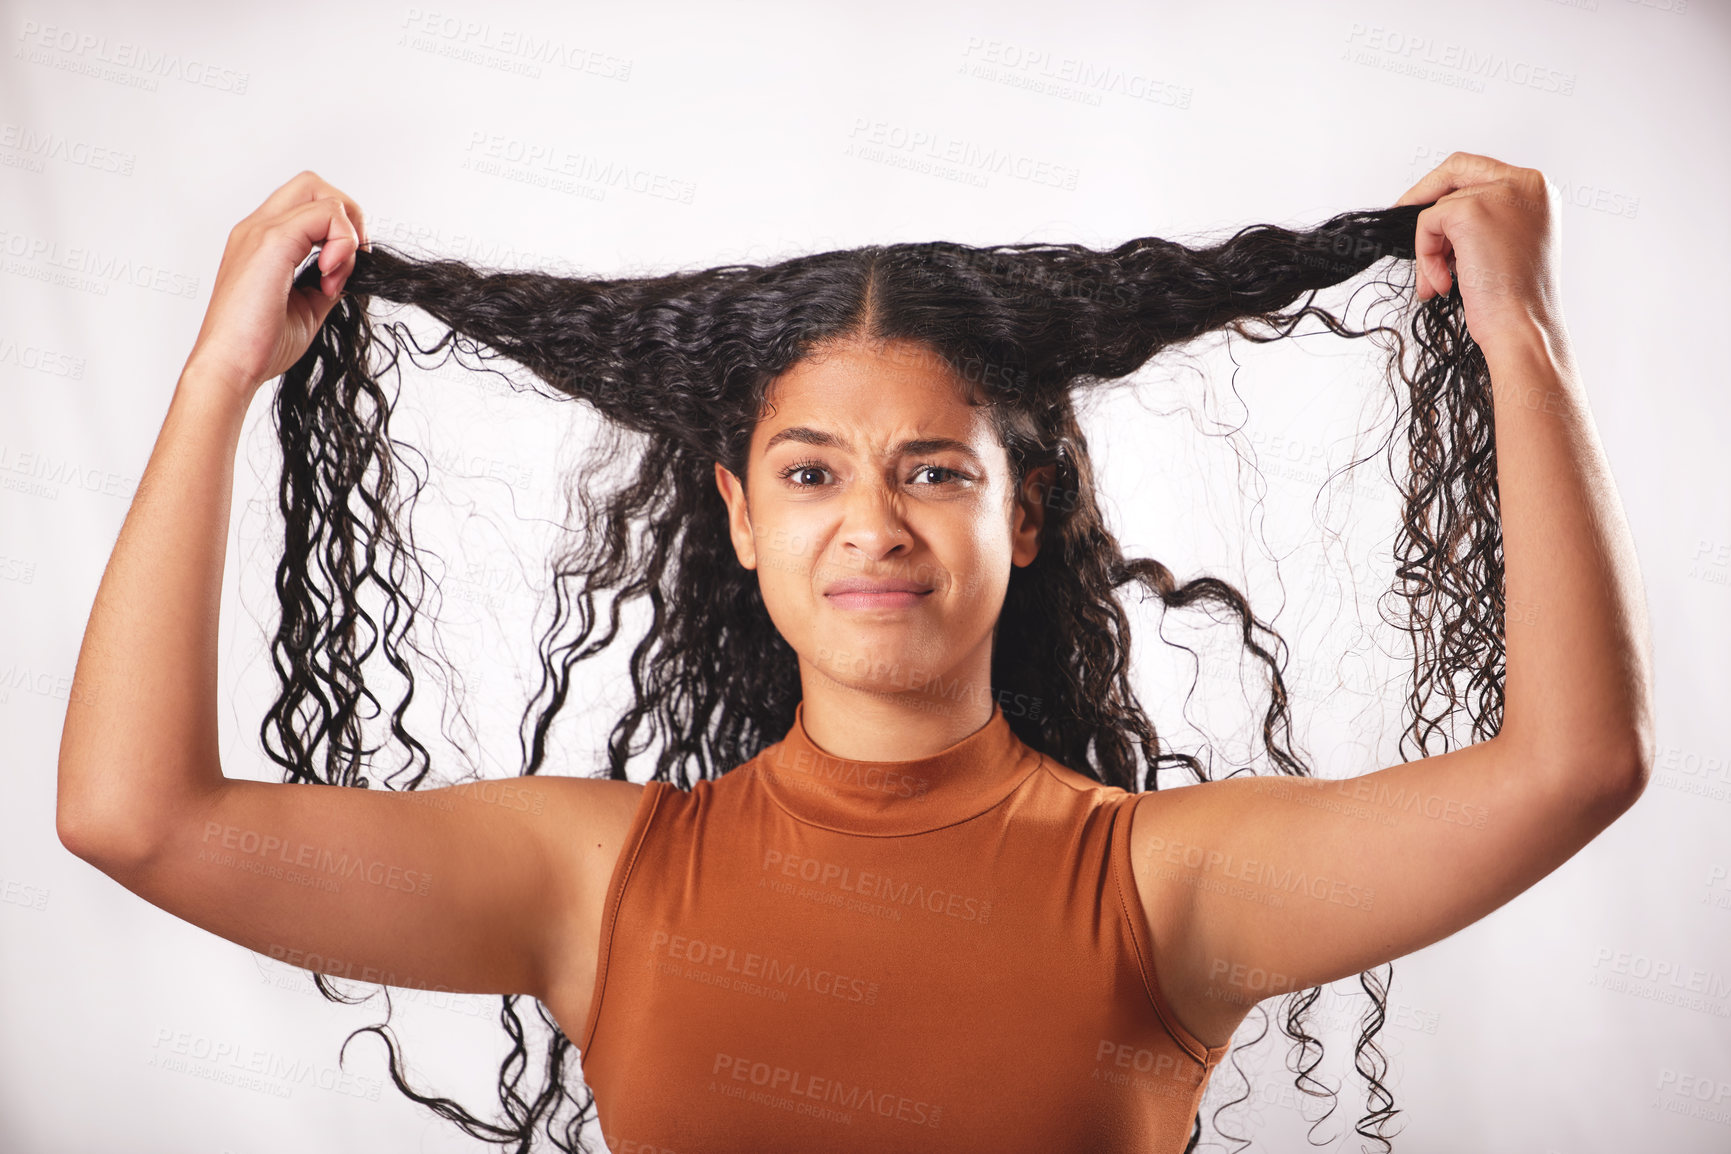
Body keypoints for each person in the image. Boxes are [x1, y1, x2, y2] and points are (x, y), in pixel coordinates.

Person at [56, 153, 1652, 1153]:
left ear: (1024, 516)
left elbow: (1572, 766)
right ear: (740, 519)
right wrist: (218, 375)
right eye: (813, 471)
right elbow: (139, 817)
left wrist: (1519, 329)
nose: (873, 521)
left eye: (935, 469)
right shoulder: (590, 876)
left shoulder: (1165, 885)